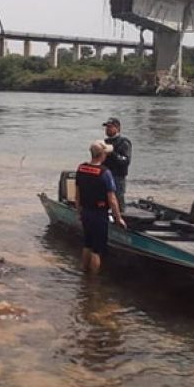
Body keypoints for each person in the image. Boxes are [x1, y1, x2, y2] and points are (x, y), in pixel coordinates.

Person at [75, 140, 127, 274]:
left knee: (87, 244)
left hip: (85, 212)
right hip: (99, 214)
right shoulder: (105, 173)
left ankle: (84, 274)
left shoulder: (81, 168)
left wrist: (79, 212)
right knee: (97, 250)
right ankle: (92, 283)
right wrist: (118, 218)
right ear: (102, 155)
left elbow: (77, 195)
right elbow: (112, 199)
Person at [102, 117, 132, 210]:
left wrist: (112, 153)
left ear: (118, 128)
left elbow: (125, 161)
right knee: (104, 199)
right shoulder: (105, 142)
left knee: (118, 200)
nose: (107, 129)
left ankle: (121, 219)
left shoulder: (124, 142)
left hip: (118, 177)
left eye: (110, 127)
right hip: (105, 176)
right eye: (107, 127)